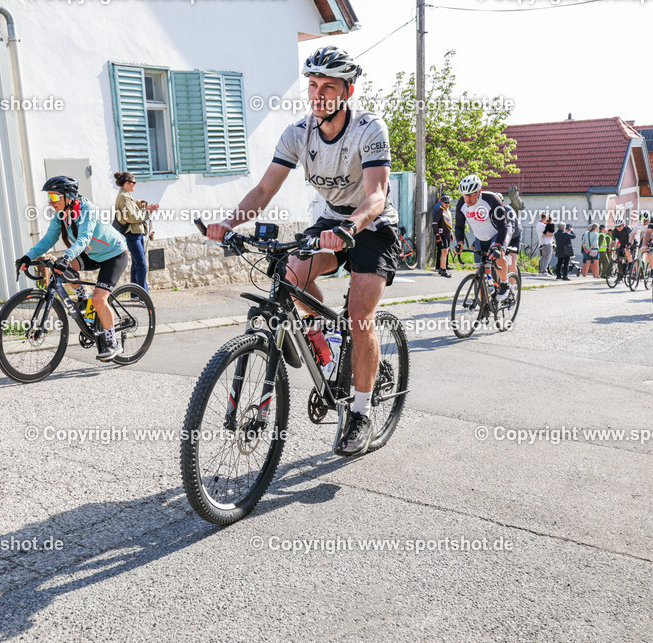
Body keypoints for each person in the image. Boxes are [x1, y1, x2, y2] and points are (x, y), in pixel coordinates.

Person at [205, 46, 396, 457]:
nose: (318, 93)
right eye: (312, 85)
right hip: (331, 220)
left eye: (328, 86)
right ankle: (326, 347)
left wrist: (350, 228)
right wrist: (229, 223)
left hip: (373, 223)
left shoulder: (368, 128)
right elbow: (262, 190)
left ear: (347, 90)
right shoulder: (298, 133)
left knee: (361, 315)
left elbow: (377, 193)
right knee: (291, 277)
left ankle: (360, 413)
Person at [15, 176, 129, 361]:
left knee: (100, 299)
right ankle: (84, 299)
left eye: (54, 197)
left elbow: (84, 238)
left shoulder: (87, 210)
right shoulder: (61, 215)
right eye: (49, 198)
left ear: (68, 197)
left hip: (114, 254)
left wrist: (66, 256)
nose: (51, 203)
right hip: (91, 253)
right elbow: (49, 239)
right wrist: (28, 256)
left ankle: (112, 342)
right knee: (62, 271)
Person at [453, 174, 514, 300]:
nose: (468, 199)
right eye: (465, 195)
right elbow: (459, 226)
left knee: (499, 255)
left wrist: (497, 246)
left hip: (499, 231)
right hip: (481, 237)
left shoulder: (491, 200)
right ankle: (484, 308)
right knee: (480, 273)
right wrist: (460, 242)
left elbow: (503, 226)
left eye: (471, 195)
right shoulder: (461, 203)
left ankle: (504, 283)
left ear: (479, 191)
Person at [114, 171, 159, 291]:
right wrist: (148, 212)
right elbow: (132, 217)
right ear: (127, 183)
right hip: (132, 234)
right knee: (141, 264)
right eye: (134, 182)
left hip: (136, 233)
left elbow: (133, 213)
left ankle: (135, 294)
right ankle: (143, 295)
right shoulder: (123, 196)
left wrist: (147, 209)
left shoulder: (126, 195)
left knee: (136, 264)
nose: (135, 185)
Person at [432, 193, 453, 277]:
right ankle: (443, 269)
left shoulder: (448, 211)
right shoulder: (439, 211)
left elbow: (449, 223)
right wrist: (437, 235)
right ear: (441, 202)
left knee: (446, 251)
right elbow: (434, 224)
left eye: (448, 202)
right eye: (445, 203)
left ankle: (442, 268)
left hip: (447, 234)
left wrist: (451, 234)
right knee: (443, 252)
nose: (447, 204)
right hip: (442, 234)